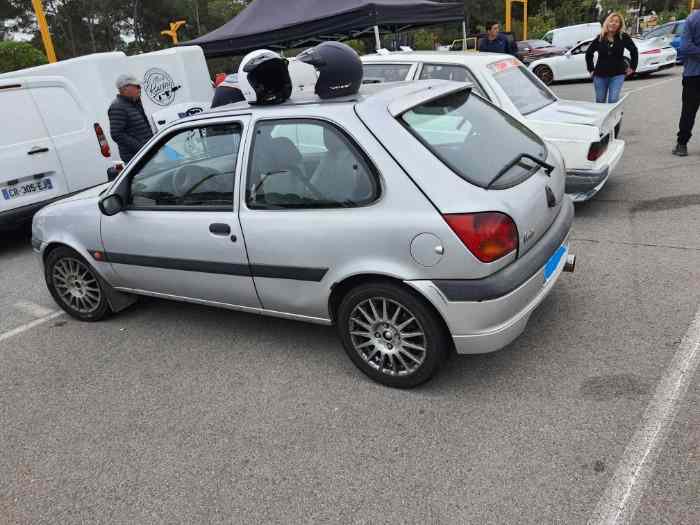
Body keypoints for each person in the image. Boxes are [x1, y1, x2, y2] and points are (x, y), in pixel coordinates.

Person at [585, 12, 638, 104]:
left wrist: (633, 67)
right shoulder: (600, 38)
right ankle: (602, 118)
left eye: (616, 22)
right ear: (607, 23)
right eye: (611, 21)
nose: (613, 23)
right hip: (600, 75)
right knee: (600, 101)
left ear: (619, 25)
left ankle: (615, 117)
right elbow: (589, 53)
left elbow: (634, 50)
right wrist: (591, 69)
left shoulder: (623, 37)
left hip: (617, 75)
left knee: (613, 100)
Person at [672, 5, 700, 157]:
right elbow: (685, 47)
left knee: (688, 111)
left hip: (693, 74)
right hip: (693, 73)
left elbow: (685, 46)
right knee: (688, 112)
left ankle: (682, 145)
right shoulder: (694, 18)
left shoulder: (692, 18)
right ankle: (681, 144)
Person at [108, 74, 154, 163]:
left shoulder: (134, 103)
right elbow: (116, 134)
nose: (140, 89)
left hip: (147, 153)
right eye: (137, 86)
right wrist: (141, 148)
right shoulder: (117, 107)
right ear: (125, 88)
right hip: (136, 158)